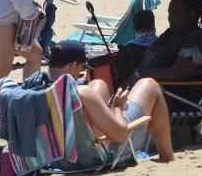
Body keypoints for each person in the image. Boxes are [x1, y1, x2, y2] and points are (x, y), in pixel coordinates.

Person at [45, 40, 175, 162]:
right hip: (100, 153)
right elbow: (121, 136)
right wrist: (117, 107)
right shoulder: (82, 93)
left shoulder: (36, 91)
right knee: (150, 85)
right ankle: (167, 156)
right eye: (82, 68)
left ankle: (106, 115)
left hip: (57, 158)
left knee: (98, 84)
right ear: (73, 66)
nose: (83, 73)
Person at [137, 0, 202, 83]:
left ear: (191, 14)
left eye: (175, 14)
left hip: (173, 93)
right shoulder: (172, 33)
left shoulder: (197, 40)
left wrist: (140, 75)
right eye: (169, 13)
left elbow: (177, 73)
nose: (170, 18)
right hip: (149, 86)